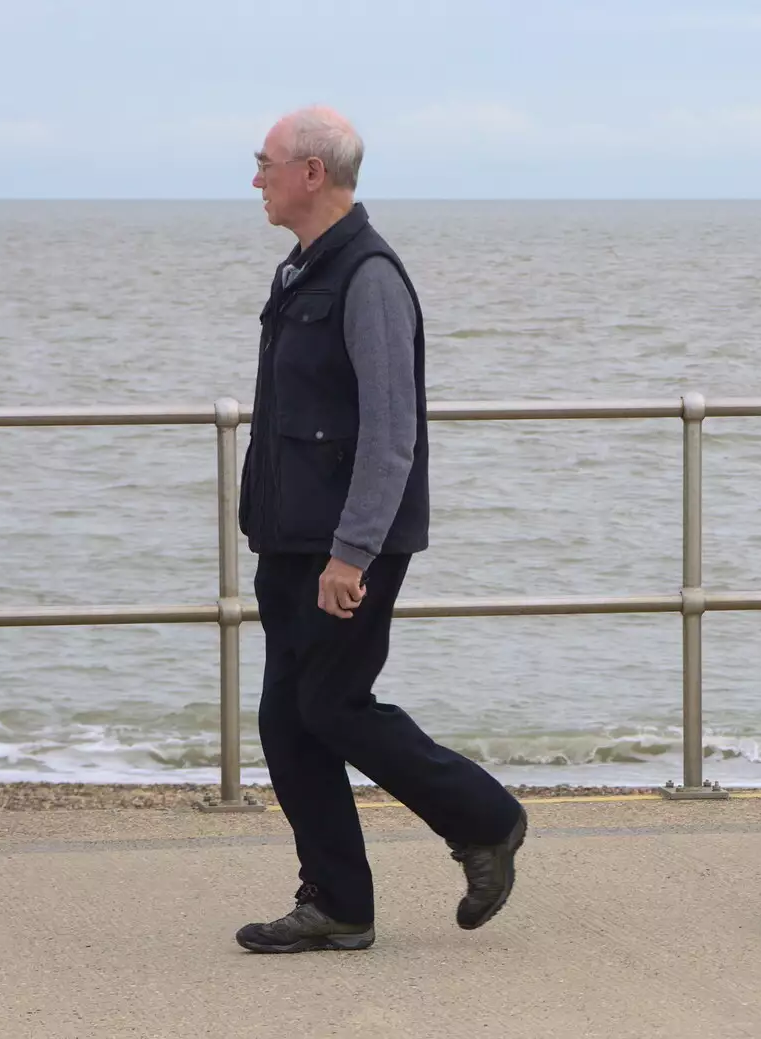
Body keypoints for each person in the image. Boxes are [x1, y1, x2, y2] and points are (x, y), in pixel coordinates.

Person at [234, 106, 527, 953]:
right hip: (292, 543)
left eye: (266, 163)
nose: (256, 178)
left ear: (312, 174)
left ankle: (486, 818)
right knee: (289, 722)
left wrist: (351, 552)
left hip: (344, 551)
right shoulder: (302, 271)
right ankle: (338, 904)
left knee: (331, 705)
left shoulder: (369, 279)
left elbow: (391, 432)